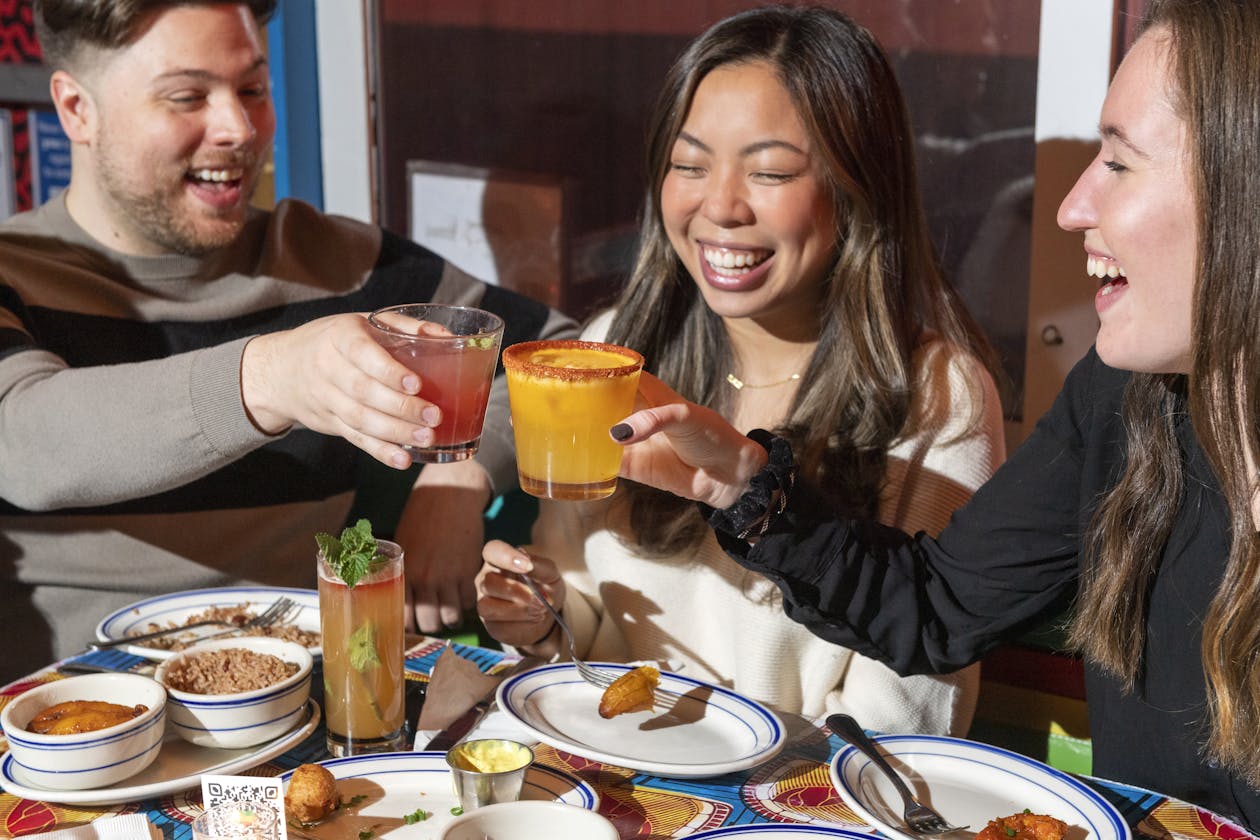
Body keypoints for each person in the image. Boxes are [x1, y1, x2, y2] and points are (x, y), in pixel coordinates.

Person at [606, 0, 1260, 826]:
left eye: (1120, 165)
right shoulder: (1124, 396)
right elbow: (935, 609)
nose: (1070, 207)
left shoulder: (949, 386)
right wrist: (743, 481)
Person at [0, 0, 575, 680]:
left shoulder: (342, 263)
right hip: (83, 732)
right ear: (76, 110)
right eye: (188, 96)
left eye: (252, 89)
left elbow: (557, 354)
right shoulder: (14, 274)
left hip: (314, 713)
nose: (238, 128)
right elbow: (26, 440)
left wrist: (460, 476)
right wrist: (270, 379)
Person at [474, 6, 1005, 735]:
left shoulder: (938, 400)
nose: (718, 206)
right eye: (689, 165)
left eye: (770, 171)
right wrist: (540, 618)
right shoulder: (613, 348)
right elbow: (585, 622)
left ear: (856, 186)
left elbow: (906, 723)